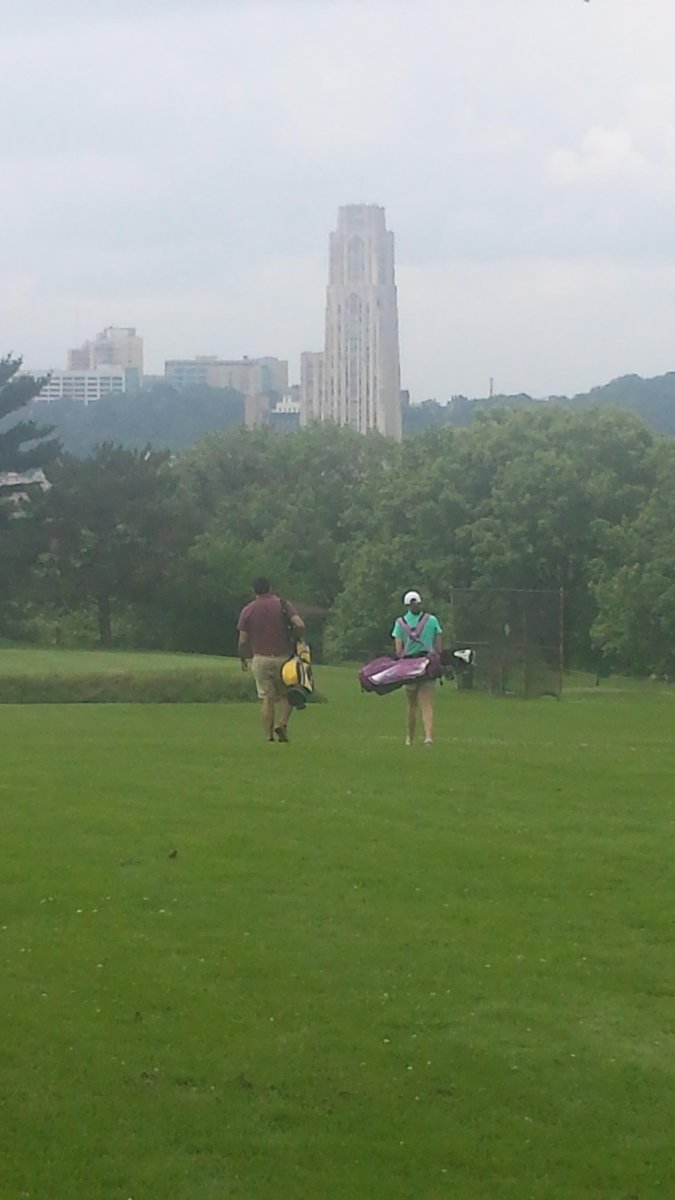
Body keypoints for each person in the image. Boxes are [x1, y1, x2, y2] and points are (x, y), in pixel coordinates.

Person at [237, 577, 305, 743]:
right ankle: (282, 725)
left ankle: (268, 736)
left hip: (260, 658)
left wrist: (243, 658)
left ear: (254, 591)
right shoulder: (283, 604)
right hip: (284, 658)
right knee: (286, 694)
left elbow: (243, 640)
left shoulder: (248, 610)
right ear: (270, 588)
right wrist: (296, 639)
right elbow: (300, 624)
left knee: (267, 698)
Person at [392, 589, 443, 747]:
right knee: (427, 703)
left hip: (409, 667)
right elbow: (439, 646)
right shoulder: (432, 620)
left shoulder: (400, 623)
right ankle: (428, 737)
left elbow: (399, 650)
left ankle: (410, 738)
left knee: (411, 704)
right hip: (427, 665)